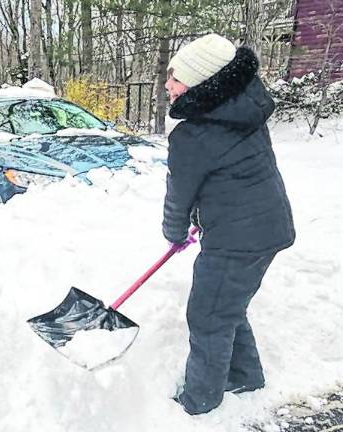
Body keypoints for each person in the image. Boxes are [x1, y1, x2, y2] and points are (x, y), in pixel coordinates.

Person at [162, 34, 295, 415]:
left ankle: (200, 399)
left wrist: (174, 231)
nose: (168, 85)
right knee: (226, 305)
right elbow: (230, 175)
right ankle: (245, 375)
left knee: (207, 314)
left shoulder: (193, 135)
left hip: (237, 238)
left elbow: (179, 194)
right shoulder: (243, 109)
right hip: (269, 228)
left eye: (176, 78)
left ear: (202, 81)